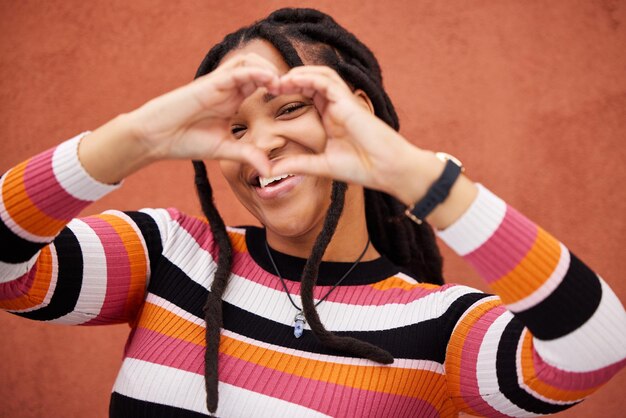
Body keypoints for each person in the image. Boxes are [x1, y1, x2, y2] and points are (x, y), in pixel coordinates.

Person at [1, 7, 625, 418]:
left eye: (290, 109)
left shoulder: (440, 326)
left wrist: (411, 173)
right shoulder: (168, 255)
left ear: (358, 111)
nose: (260, 144)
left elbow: (597, 350)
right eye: (235, 126)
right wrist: (133, 137)